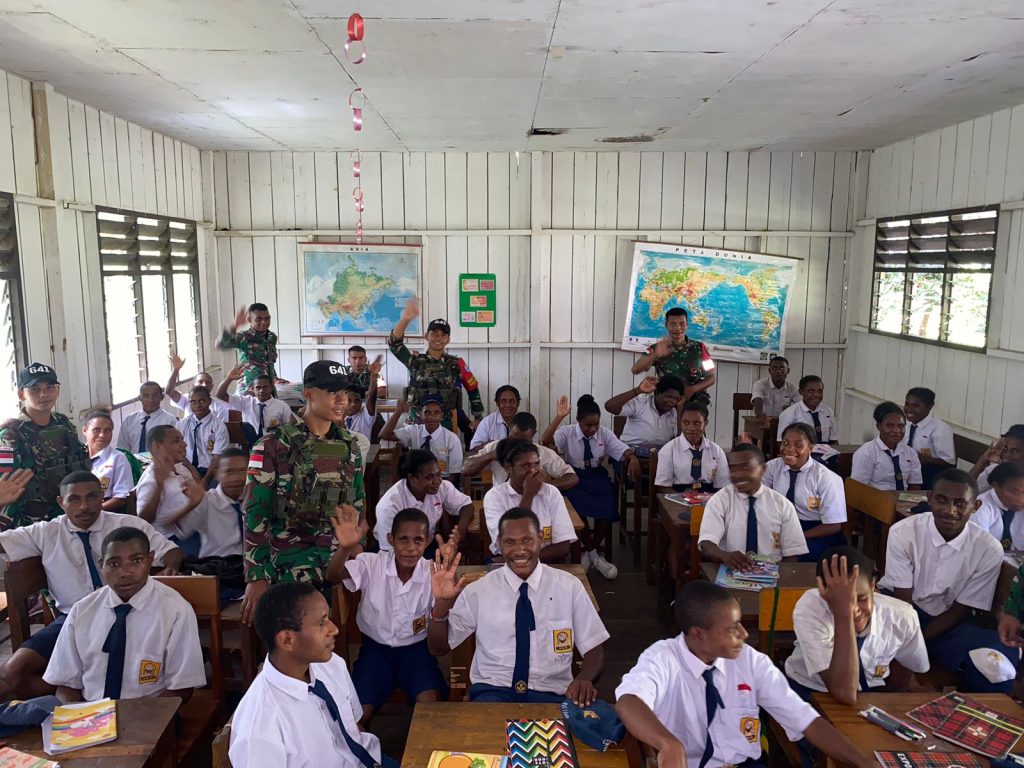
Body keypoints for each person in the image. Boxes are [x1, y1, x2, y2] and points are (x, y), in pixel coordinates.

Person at [614, 580, 876, 768]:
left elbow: (806, 720)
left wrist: (865, 763)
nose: (744, 634)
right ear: (698, 634)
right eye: (732, 628)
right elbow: (628, 702)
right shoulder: (663, 658)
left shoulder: (750, 661)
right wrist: (668, 744)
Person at [0, 471, 181, 700]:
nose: (84, 506)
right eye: (74, 499)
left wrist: (171, 568)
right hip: (71, 620)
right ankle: (89, 695)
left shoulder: (127, 525)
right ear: (61, 502)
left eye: (92, 497)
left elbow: (171, 551)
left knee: (140, 669)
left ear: (102, 496)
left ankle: (94, 693)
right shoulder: (45, 532)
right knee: (12, 674)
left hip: (128, 613)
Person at [428, 507, 609, 704]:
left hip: (552, 694)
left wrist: (584, 678)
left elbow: (594, 648)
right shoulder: (478, 591)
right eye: (509, 542)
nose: (520, 550)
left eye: (527, 540)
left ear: (540, 539)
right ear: (498, 544)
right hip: (492, 693)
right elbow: (438, 648)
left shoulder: (569, 586)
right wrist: (442, 604)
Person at [241, 360, 365, 625]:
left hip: (335, 565)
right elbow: (254, 512)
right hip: (287, 568)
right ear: (308, 394)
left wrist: (354, 551)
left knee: (330, 640)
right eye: (332, 392)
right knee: (290, 641)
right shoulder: (272, 444)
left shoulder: (350, 446)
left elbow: (356, 505)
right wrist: (256, 575)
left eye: (345, 392)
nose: (342, 400)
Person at [229, 581, 398, 768]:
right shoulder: (260, 727)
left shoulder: (331, 664)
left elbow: (354, 727)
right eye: (321, 622)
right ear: (287, 640)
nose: (334, 629)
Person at [878, 469, 1018, 693]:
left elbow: (962, 607)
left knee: (994, 659)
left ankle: (979, 710)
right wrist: (910, 642)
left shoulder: (988, 548)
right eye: (941, 500)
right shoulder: (904, 532)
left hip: (949, 622)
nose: (949, 510)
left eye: (960, 503)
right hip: (899, 611)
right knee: (864, 636)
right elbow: (902, 599)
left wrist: (918, 642)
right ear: (930, 498)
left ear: (976, 506)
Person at [43, 526, 206, 704]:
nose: (125, 572)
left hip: (151, 710)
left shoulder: (175, 610)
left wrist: (137, 718)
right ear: (101, 565)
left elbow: (181, 688)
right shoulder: (82, 610)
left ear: (150, 560)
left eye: (136, 561)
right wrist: (75, 714)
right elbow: (65, 684)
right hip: (90, 712)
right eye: (114, 564)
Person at [327, 506, 451, 724]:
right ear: (390, 540)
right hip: (375, 651)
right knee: (358, 715)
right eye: (403, 540)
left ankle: (421, 746)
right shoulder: (371, 563)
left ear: (428, 541)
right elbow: (333, 575)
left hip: (417, 651)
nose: (410, 548)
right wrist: (345, 549)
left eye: (418, 540)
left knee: (431, 705)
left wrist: (443, 602)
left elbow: (439, 644)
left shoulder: (433, 573)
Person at [785, 548, 929, 705]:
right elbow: (844, 693)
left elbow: (911, 666)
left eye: (861, 598)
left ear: (873, 586)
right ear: (822, 592)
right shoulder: (811, 608)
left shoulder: (902, 616)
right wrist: (843, 614)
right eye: (839, 601)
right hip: (810, 689)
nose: (853, 609)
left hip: (871, 692)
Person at [542, 395, 639, 579]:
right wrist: (559, 416)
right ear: (578, 421)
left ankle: (589, 552)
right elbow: (545, 441)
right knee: (575, 506)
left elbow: (621, 448)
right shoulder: (567, 432)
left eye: (596, 425)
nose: (593, 429)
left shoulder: (604, 433)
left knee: (609, 501)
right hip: (574, 476)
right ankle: (595, 555)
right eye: (588, 425)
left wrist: (632, 457)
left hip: (596, 475)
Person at [0, 363, 90, 529]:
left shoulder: (63, 424)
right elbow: (4, 486)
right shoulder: (10, 436)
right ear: (21, 394)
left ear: (58, 390)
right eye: (34, 389)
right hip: (28, 525)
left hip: (67, 517)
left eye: (50, 387)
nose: (43, 394)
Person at [698, 443, 808, 566]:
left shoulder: (782, 505)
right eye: (733, 469)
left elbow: (792, 554)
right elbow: (706, 543)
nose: (739, 474)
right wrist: (724, 556)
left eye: (746, 467)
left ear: (763, 469)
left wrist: (781, 576)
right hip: (731, 569)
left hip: (772, 570)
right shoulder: (720, 500)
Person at [388, 297, 484, 430]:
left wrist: (478, 416)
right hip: (416, 424)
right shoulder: (414, 361)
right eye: (434, 333)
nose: (438, 337)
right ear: (426, 336)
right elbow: (394, 344)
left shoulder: (457, 364)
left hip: (444, 425)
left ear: (448, 339)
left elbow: (473, 388)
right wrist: (406, 319)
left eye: (443, 334)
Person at [483, 438, 577, 563]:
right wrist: (528, 495)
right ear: (508, 468)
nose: (533, 471)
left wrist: (525, 559)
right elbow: (509, 545)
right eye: (525, 466)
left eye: (536, 464)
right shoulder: (495, 496)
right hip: (510, 565)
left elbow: (563, 546)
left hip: (546, 562)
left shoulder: (551, 492)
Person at [762, 423, 846, 561]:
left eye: (798, 445)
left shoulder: (826, 478)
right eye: (785, 443)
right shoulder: (773, 467)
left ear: (810, 448)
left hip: (816, 531)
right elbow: (758, 495)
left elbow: (833, 526)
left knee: (791, 553)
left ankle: (789, 575)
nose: (789, 449)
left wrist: (796, 537)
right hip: (783, 525)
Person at [373, 450, 473, 556]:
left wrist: (457, 534)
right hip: (397, 551)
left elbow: (466, 505)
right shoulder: (389, 506)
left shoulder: (442, 487)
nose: (437, 481)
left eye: (438, 474)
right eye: (429, 477)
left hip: (427, 544)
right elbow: (389, 555)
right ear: (412, 478)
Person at [462, 412, 578, 492]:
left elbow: (572, 477)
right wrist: (491, 456)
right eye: (514, 438)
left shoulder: (542, 453)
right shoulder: (496, 447)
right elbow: (465, 469)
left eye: (523, 441)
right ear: (509, 431)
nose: (518, 445)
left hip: (534, 502)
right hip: (501, 501)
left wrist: (543, 487)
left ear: (533, 434)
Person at [171, 447, 248, 564]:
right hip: (217, 566)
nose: (236, 478)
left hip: (251, 566)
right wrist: (192, 504)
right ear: (217, 474)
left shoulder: (255, 499)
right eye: (229, 472)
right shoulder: (206, 501)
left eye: (242, 471)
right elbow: (180, 531)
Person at [630, 307, 716, 407]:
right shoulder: (657, 348)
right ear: (666, 325)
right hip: (665, 403)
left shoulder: (699, 348)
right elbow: (635, 369)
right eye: (673, 324)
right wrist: (655, 354)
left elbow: (711, 378)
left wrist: (692, 389)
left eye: (682, 323)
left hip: (693, 402)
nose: (678, 328)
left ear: (687, 325)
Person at [135, 425, 202, 540]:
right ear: (157, 447)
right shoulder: (151, 478)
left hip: (194, 527)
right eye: (176, 441)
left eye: (182, 440)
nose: (184, 444)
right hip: (171, 538)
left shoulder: (181, 468)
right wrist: (159, 486)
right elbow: (144, 519)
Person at [380, 396, 463, 480]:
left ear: (441, 415)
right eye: (427, 412)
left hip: (441, 480)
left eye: (436, 413)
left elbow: (454, 474)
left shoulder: (452, 439)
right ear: (420, 414)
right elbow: (384, 434)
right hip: (418, 480)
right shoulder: (413, 431)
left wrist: (440, 487)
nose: (431, 417)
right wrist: (397, 412)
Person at [654, 401, 730, 493]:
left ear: (706, 423)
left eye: (697, 423)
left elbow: (722, 486)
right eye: (686, 423)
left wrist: (711, 500)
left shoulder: (716, 451)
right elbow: (663, 487)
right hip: (677, 495)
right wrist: (683, 498)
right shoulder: (668, 450)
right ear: (680, 422)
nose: (691, 428)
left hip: (709, 496)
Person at [850, 402, 922, 491]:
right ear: (879, 426)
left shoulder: (910, 453)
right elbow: (858, 489)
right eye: (890, 426)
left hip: (903, 499)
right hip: (875, 498)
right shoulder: (866, 453)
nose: (897, 431)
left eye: (901, 426)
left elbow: (915, 487)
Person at [217, 302, 281, 394]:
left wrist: (275, 378)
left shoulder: (272, 337)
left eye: (267, 318)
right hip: (248, 390)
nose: (264, 322)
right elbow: (221, 344)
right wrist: (235, 325)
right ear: (249, 320)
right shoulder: (243, 337)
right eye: (258, 319)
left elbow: (269, 362)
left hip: (268, 390)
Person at [604, 375, 683, 448]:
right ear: (657, 393)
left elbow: (680, 440)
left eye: (676, 399)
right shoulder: (641, 403)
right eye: (668, 396)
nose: (672, 401)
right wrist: (638, 390)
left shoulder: (675, 412)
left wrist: (680, 411)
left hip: (659, 454)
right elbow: (610, 406)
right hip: (630, 451)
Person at [216, 368, 295, 439]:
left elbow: (290, 429)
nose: (261, 391)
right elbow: (220, 395)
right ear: (252, 389)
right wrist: (229, 378)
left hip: (273, 445)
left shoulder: (282, 406)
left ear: (271, 387)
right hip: (249, 444)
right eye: (258, 387)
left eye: (265, 387)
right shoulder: (246, 402)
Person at [902, 387, 956, 488]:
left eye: (916, 406)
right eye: (907, 404)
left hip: (927, 474)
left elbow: (949, 464)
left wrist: (924, 459)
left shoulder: (940, 429)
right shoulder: (904, 423)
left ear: (929, 408)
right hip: (905, 469)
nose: (909, 409)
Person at [176, 385, 229, 482]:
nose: (197, 405)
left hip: (210, 470)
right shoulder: (182, 424)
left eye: (201, 401)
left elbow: (217, 458)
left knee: (215, 488)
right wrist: (192, 471)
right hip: (187, 468)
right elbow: (177, 451)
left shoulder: (219, 427)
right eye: (193, 402)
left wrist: (205, 480)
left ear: (210, 401)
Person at [82, 410, 133, 512]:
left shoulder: (118, 459)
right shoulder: (74, 456)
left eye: (107, 430)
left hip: (106, 511)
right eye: (96, 430)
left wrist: (94, 511)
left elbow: (122, 497)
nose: (102, 435)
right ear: (85, 430)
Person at [968, 462, 1024, 551]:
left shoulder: (1019, 508)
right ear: (996, 486)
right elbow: (978, 550)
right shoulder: (980, 509)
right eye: (1013, 492)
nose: (1020, 499)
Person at [116, 381, 178, 454]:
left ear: (161, 397)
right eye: (146, 396)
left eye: (155, 396)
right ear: (140, 398)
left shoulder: (170, 421)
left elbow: (175, 449)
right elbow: (122, 449)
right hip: (134, 460)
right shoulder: (129, 421)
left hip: (160, 461)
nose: (150, 400)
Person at [776, 375, 839, 445]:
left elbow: (834, 440)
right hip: (799, 450)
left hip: (825, 450)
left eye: (820, 391)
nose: (816, 395)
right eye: (811, 391)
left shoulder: (827, 411)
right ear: (801, 392)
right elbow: (782, 443)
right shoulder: (789, 413)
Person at [165, 354, 230, 420]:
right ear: (193, 386)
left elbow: (222, 426)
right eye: (200, 382)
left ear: (212, 386)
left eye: (207, 382)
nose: (204, 385)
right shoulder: (187, 399)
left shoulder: (219, 407)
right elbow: (169, 391)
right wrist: (176, 369)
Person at [971, 424, 1024, 494]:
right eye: (1005, 449)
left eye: (1015, 451)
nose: (1006, 455)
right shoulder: (993, 471)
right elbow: (965, 491)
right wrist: (982, 462)